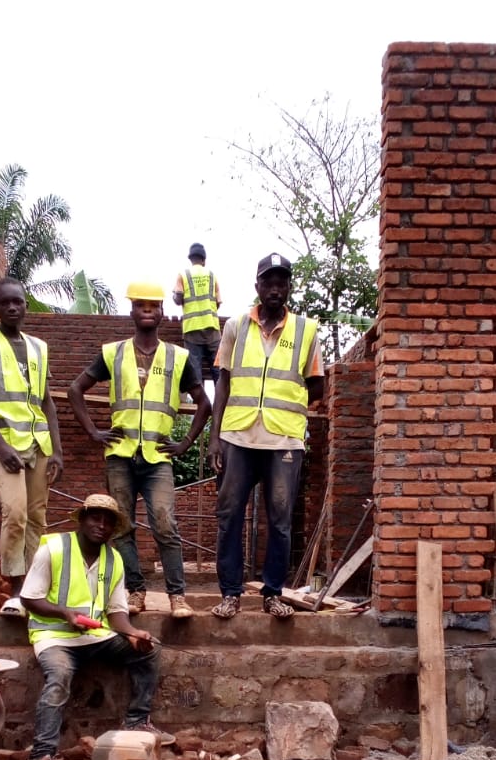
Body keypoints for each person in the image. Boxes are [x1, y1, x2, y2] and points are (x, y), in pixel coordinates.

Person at [68, 281, 212, 619]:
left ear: (162, 313)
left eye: (153, 306)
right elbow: (76, 389)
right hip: (120, 455)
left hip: (157, 458)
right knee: (122, 527)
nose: (147, 311)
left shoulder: (179, 357)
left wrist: (186, 442)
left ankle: (177, 596)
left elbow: (204, 403)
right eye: (140, 306)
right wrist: (93, 432)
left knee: (165, 523)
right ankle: (135, 591)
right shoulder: (112, 353)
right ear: (131, 311)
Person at [20, 493, 175, 760]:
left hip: (95, 635)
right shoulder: (53, 548)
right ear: (82, 519)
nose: (101, 525)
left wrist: (132, 633)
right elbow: (29, 598)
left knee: (147, 652)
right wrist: (65, 613)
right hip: (54, 636)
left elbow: (116, 612)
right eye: (95, 517)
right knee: (60, 675)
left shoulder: (114, 559)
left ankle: (137, 721)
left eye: (108, 521)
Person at [207, 253, 324, 621]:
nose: (275, 288)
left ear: (289, 287)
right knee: (229, 516)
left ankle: (273, 593)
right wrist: (214, 437)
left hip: (283, 442)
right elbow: (222, 382)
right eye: (268, 281)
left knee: (280, 520)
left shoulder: (306, 330)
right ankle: (230, 594)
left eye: (281, 281)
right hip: (238, 436)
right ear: (257, 286)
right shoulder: (236, 327)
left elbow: (317, 384)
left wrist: (296, 418)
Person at [0, 277, 64, 617]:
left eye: (18, 302)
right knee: (15, 513)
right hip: (6, 443)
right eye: (5, 302)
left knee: (37, 517)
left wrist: (57, 449)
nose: (12, 307)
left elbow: (47, 401)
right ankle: (13, 591)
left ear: (25, 304)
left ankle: (33, 591)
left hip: (39, 442)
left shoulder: (38, 346)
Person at [172, 243, 222, 384]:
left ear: (190, 259)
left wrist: (175, 296)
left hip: (192, 329)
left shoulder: (183, 275)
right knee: (218, 370)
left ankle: (199, 405)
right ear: (204, 260)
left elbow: (178, 298)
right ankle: (221, 405)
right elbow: (218, 302)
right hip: (212, 329)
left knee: (195, 372)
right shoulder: (212, 276)